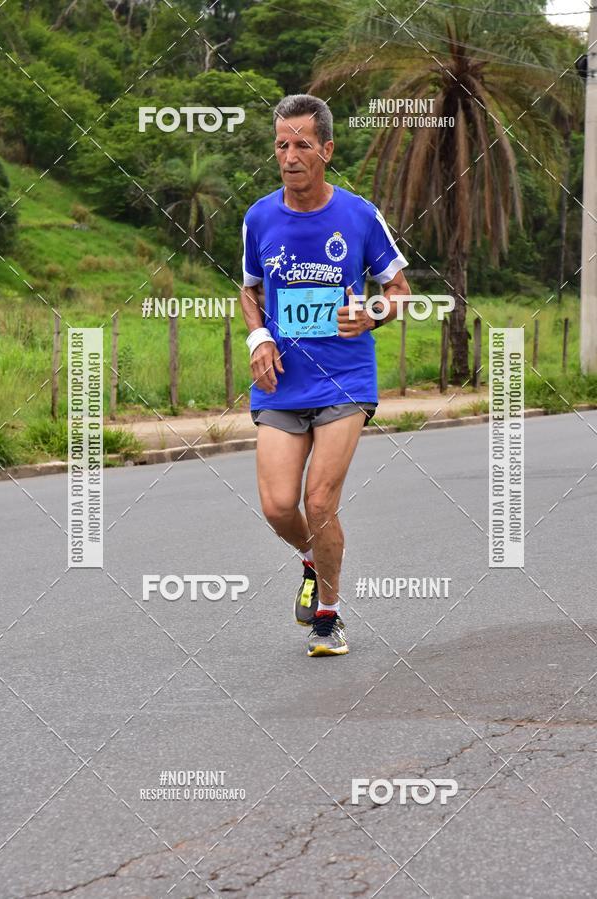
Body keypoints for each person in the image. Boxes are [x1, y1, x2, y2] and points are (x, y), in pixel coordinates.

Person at [240, 93, 410, 656]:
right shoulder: (259, 217)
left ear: (327, 150)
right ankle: (313, 559)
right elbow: (250, 290)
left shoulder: (359, 215)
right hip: (281, 382)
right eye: (281, 145)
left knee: (318, 502)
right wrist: (259, 337)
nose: (290, 157)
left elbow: (399, 291)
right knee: (277, 506)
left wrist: (373, 313)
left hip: (345, 380)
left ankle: (329, 618)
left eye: (302, 145)